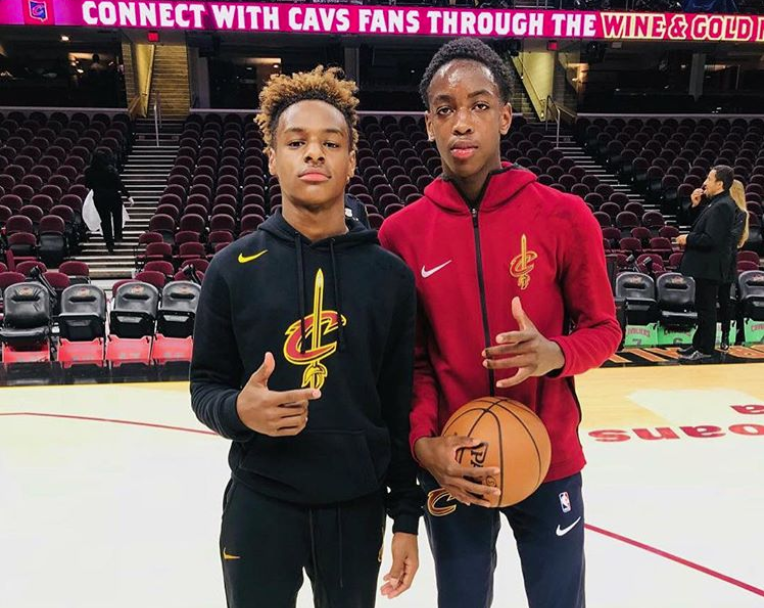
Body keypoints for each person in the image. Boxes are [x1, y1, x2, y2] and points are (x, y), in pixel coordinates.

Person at [379, 38, 621, 608]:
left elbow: (605, 331)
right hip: (457, 462)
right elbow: (412, 365)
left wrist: (554, 354)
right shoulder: (402, 235)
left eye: (479, 105)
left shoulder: (564, 216)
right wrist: (423, 445)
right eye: (445, 109)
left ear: (507, 116)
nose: (462, 121)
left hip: (548, 455)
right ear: (429, 125)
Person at [190, 66, 420, 608]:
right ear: (273, 158)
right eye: (296, 142)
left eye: (329, 143)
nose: (313, 154)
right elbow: (205, 388)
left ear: (351, 159)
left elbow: (399, 406)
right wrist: (239, 412)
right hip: (261, 501)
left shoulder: (390, 277)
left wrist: (406, 517)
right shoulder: (231, 269)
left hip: (356, 507)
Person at [676, 165, 737, 362]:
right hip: (705, 266)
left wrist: (688, 239)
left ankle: (705, 349)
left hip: (711, 266)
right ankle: (698, 344)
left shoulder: (723, 206)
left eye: (709, 179)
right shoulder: (715, 204)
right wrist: (695, 206)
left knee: (707, 308)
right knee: (703, 306)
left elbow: (710, 239)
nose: (705, 183)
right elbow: (701, 227)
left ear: (719, 184)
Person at [716, 179, 750, 350]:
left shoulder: (741, 214)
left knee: (725, 300)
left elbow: (733, 238)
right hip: (714, 258)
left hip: (728, 260)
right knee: (707, 300)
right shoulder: (719, 209)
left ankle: (725, 335)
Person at [83, 150, 133, 254]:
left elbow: (87, 185)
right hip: (113, 196)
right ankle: (118, 235)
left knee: (105, 221)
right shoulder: (110, 170)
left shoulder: (89, 171)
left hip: (99, 198)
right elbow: (118, 184)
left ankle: (109, 243)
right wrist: (128, 196)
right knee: (117, 216)